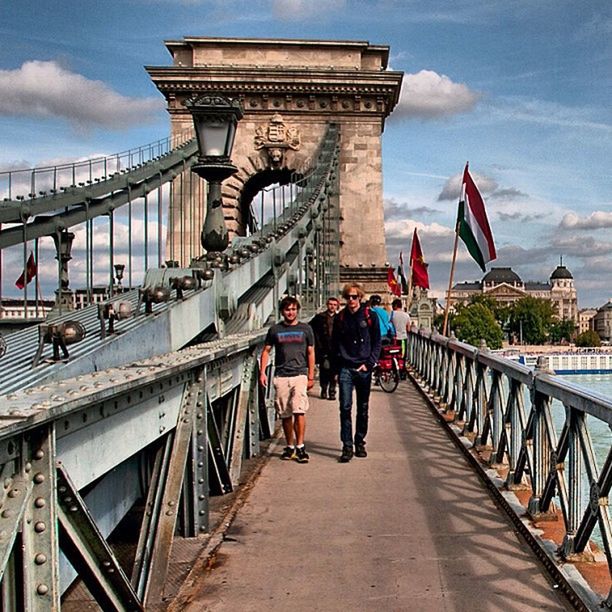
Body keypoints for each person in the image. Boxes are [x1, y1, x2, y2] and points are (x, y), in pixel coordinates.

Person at [260, 296, 315, 463]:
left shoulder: (306, 329)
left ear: (297, 310)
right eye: (287, 309)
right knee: (285, 413)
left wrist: (311, 376)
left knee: (299, 410)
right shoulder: (275, 330)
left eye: (293, 309)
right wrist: (262, 372)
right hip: (281, 375)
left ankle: (300, 447)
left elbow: (311, 352)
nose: (290, 312)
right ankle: (289, 446)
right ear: (282, 312)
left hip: (300, 374)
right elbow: (266, 351)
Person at [331, 283, 381, 463]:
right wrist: (335, 370)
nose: (351, 300)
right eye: (348, 297)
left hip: (363, 369)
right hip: (346, 367)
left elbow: (377, 342)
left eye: (354, 297)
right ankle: (347, 446)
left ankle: (359, 441)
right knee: (345, 407)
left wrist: (369, 364)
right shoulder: (340, 318)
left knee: (363, 408)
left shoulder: (370, 316)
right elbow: (334, 345)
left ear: (360, 297)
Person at [309, 297, 340, 399]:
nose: (332, 307)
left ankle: (332, 391)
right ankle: (324, 389)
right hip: (323, 349)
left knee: (334, 370)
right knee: (325, 369)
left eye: (335, 305)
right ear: (327, 305)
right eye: (331, 304)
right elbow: (310, 328)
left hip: (336, 349)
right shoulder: (319, 317)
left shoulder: (340, 318)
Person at [390, 298, 411, 378]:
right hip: (403, 339)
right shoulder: (406, 315)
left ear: (395, 306)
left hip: (394, 339)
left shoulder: (392, 314)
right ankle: (402, 372)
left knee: (393, 355)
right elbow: (408, 329)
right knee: (402, 356)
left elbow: (389, 324)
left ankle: (395, 371)